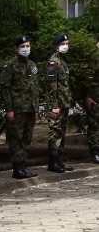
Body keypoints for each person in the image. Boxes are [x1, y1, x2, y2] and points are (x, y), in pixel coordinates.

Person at [0, 35, 40, 179]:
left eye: (27, 46)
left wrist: (36, 105)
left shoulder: (32, 65)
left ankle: (23, 165)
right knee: (15, 138)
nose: (25, 49)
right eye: (22, 47)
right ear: (17, 48)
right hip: (17, 108)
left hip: (30, 107)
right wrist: (9, 108)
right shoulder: (10, 65)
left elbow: (35, 86)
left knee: (27, 137)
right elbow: (5, 88)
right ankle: (17, 168)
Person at [45, 34, 74, 173]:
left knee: (61, 133)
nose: (66, 46)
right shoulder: (53, 62)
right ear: (57, 45)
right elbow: (52, 86)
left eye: (67, 43)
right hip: (57, 104)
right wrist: (54, 105)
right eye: (63, 43)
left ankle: (59, 160)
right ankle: (53, 162)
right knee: (55, 132)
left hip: (64, 103)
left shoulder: (63, 61)